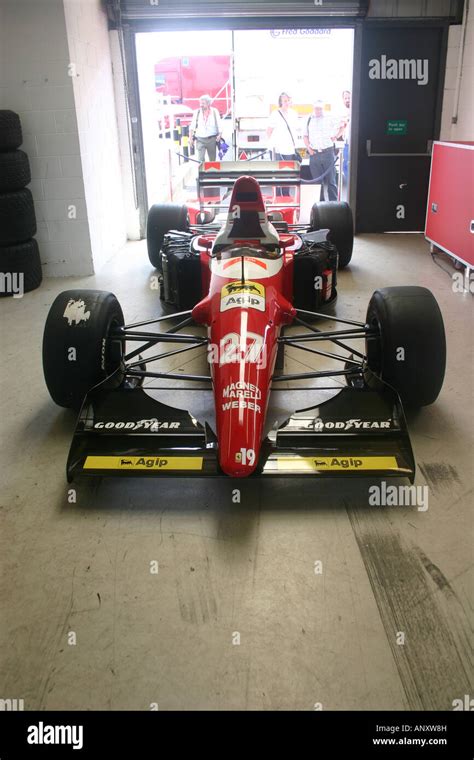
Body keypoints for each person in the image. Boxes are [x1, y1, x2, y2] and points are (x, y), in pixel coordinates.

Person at [303, 100, 340, 202]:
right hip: (314, 155)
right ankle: (320, 206)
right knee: (317, 183)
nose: (318, 110)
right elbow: (305, 136)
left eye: (320, 108)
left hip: (328, 153)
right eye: (316, 108)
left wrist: (336, 136)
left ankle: (334, 204)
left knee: (331, 182)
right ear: (313, 108)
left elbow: (343, 125)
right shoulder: (308, 119)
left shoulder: (330, 118)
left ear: (323, 108)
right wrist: (309, 149)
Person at [266, 92, 300, 196]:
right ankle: (277, 197)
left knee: (288, 175)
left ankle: (286, 197)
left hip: (289, 149)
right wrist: (273, 145)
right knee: (277, 175)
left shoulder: (294, 114)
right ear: (280, 102)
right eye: (284, 101)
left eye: (288, 100)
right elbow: (269, 131)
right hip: (278, 150)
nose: (286, 102)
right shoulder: (275, 114)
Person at [189, 95, 223, 162]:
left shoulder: (214, 112)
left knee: (212, 160)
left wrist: (220, 134)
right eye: (200, 103)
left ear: (208, 103)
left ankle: (211, 172)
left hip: (212, 140)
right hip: (200, 140)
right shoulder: (197, 112)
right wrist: (190, 139)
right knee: (200, 160)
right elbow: (192, 127)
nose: (201, 105)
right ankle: (202, 172)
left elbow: (220, 125)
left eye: (203, 103)